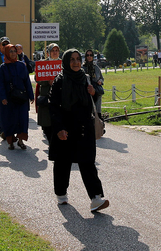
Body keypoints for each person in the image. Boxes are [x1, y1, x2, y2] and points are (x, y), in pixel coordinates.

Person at [49, 49, 109, 213]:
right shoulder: (60, 81)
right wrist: (59, 128)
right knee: (63, 163)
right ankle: (61, 194)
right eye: (72, 59)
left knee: (88, 162)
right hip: (66, 128)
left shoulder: (85, 78)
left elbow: (91, 101)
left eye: (78, 59)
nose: (76, 62)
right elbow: (53, 107)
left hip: (84, 127)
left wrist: (93, 93)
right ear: (66, 61)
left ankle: (96, 198)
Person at [0, 44, 34, 149]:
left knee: (22, 119)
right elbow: (1, 84)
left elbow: (27, 81)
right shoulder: (3, 67)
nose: (13, 53)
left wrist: (31, 96)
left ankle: (21, 141)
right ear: (7, 53)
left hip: (22, 97)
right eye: (11, 51)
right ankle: (11, 142)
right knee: (10, 119)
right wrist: (3, 98)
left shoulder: (21, 65)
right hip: (9, 99)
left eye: (15, 51)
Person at [36, 43, 61, 139]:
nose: (55, 53)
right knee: (46, 121)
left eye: (56, 50)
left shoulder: (62, 63)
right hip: (46, 94)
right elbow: (37, 78)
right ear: (48, 53)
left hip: (59, 95)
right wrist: (47, 81)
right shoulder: (42, 63)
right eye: (52, 51)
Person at [84, 48, 105, 133]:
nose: (89, 57)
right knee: (88, 110)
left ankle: (99, 128)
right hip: (87, 92)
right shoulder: (83, 67)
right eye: (88, 55)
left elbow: (101, 78)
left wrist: (100, 81)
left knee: (97, 111)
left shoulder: (96, 67)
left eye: (91, 55)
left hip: (96, 92)